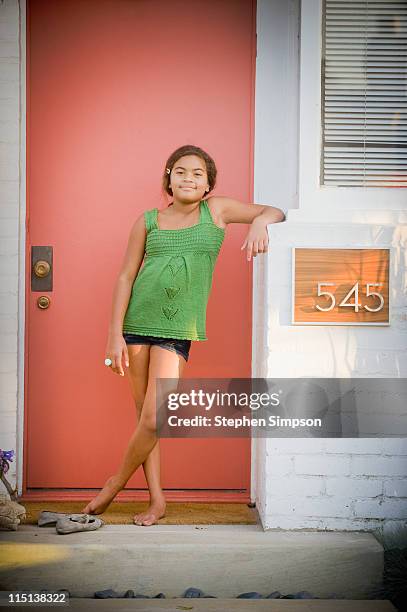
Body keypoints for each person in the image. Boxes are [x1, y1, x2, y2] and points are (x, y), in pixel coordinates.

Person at [81, 144, 286, 525]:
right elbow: (125, 276)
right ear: (168, 178)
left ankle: (114, 483)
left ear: (208, 183)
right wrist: (113, 335)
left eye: (197, 173)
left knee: (155, 419)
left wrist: (259, 222)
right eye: (180, 171)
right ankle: (157, 500)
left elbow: (276, 211)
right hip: (136, 325)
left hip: (177, 329)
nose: (188, 178)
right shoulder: (148, 221)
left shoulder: (218, 211)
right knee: (144, 418)